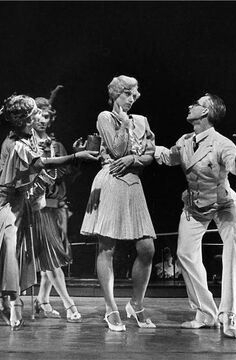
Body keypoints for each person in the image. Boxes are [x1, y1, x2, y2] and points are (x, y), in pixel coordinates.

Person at [0, 94, 98, 331]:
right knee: (8, 246)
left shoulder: (29, 139)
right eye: (29, 118)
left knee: (17, 252)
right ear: (19, 122)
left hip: (21, 201)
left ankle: (3, 306)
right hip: (3, 201)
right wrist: (76, 156)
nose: (34, 122)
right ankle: (12, 304)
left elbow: (45, 174)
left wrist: (74, 160)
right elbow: (40, 165)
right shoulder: (15, 143)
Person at [155, 93, 236, 339]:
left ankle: (229, 315)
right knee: (184, 254)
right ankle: (205, 312)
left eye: (197, 103)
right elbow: (171, 157)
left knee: (233, 248)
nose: (190, 105)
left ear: (206, 112)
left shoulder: (221, 143)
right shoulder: (185, 140)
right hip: (195, 205)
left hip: (223, 203)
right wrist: (149, 145)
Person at [81, 75, 156, 331]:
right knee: (107, 247)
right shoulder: (106, 117)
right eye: (128, 94)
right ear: (116, 94)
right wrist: (124, 125)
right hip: (111, 180)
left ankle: (136, 304)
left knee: (147, 248)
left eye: (135, 95)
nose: (133, 99)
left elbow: (149, 154)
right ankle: (111, 307)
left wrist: (134, 161)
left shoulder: (142, 121)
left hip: (133, 183)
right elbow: (115, 150)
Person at [31, 88, 82, 322]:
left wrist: (77, 157)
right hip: (36, 209)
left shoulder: (57, 146)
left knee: (50, 258)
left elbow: (66, 176)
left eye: (47, 116)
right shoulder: (25, 145)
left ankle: (42, 301)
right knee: (51, 257)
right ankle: (69, 304)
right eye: (39, 114)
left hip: (57, 207)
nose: (43, 119)